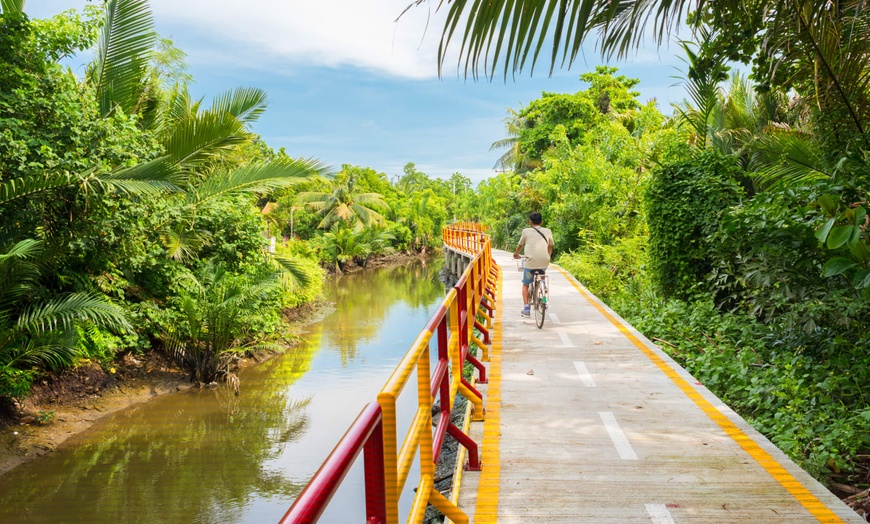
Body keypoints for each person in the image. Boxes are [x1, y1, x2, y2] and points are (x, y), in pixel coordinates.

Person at [512, 212, 554, 317]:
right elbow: (550, 247)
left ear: (530, 222)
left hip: (530, 263)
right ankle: (543, 297)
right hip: (544, 261)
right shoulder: (548, 231)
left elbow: (520, 245)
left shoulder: (526, 231)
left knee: (525, 284)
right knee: (542, 279)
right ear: (542, 221)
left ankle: (526, 309)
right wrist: (548, 256)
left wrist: (516, 254)